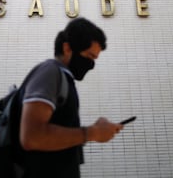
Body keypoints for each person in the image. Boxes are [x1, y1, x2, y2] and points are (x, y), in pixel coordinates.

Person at [18, 18, 124, 178]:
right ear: (67, 48)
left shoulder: (64, 79)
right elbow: (31, 136)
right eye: (89, 56)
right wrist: (93, 133)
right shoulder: (51, 72)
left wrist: (95, 130)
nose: (91, 64)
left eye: (94, 59)